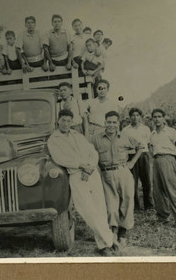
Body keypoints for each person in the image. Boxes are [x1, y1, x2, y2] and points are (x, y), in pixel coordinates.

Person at [47, 109, 118, 256]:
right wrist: (81, 166)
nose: (66, 123)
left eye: (68, 121)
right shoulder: (53, 140)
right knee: (87, 210)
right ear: (58, 121)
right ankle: (110, 240)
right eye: (63, 120)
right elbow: (60, 159)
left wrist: (89, 167)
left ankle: (103, 246)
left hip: (91, 173)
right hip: (76, 175)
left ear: (72, 122)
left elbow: (93, 152)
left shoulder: (77, 135)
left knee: (100, 209)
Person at [91, 111, 142, 244]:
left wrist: (132, 163)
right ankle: (113, 231)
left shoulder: (125, 137)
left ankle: (123, 232)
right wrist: (95, 167)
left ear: (118, 123)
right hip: (106, 174)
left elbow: (141, 147)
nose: (111, 125)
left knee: (127, 201)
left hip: (123, 172)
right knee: (110, 204)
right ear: (104, 123)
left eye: (114, 122)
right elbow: (89, 153)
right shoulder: (96, 138)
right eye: (109, 122)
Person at [148, 109, 176, 226]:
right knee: (158, 191)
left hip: (168, 159)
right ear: (152, 119)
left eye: (159, 116)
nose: (157, 119)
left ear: (163, 118)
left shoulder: (170, 131)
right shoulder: (152, 134)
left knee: (173, 190)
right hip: (157, 161)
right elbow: (151, 149)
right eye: (155, 117)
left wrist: (173, 160)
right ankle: (163, 218)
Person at [122, 108, 154, 211]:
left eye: (137, 115)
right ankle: (136, 207)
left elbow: (149, 144)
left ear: (140, 117)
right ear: (129, 117)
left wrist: (149, 156)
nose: (135, 117)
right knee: (132, 182)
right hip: (131, 156)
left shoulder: (146, 129)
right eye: (133, 115)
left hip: (144, 155)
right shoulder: (125, 130)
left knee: (147, 181)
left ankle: (148, 205)